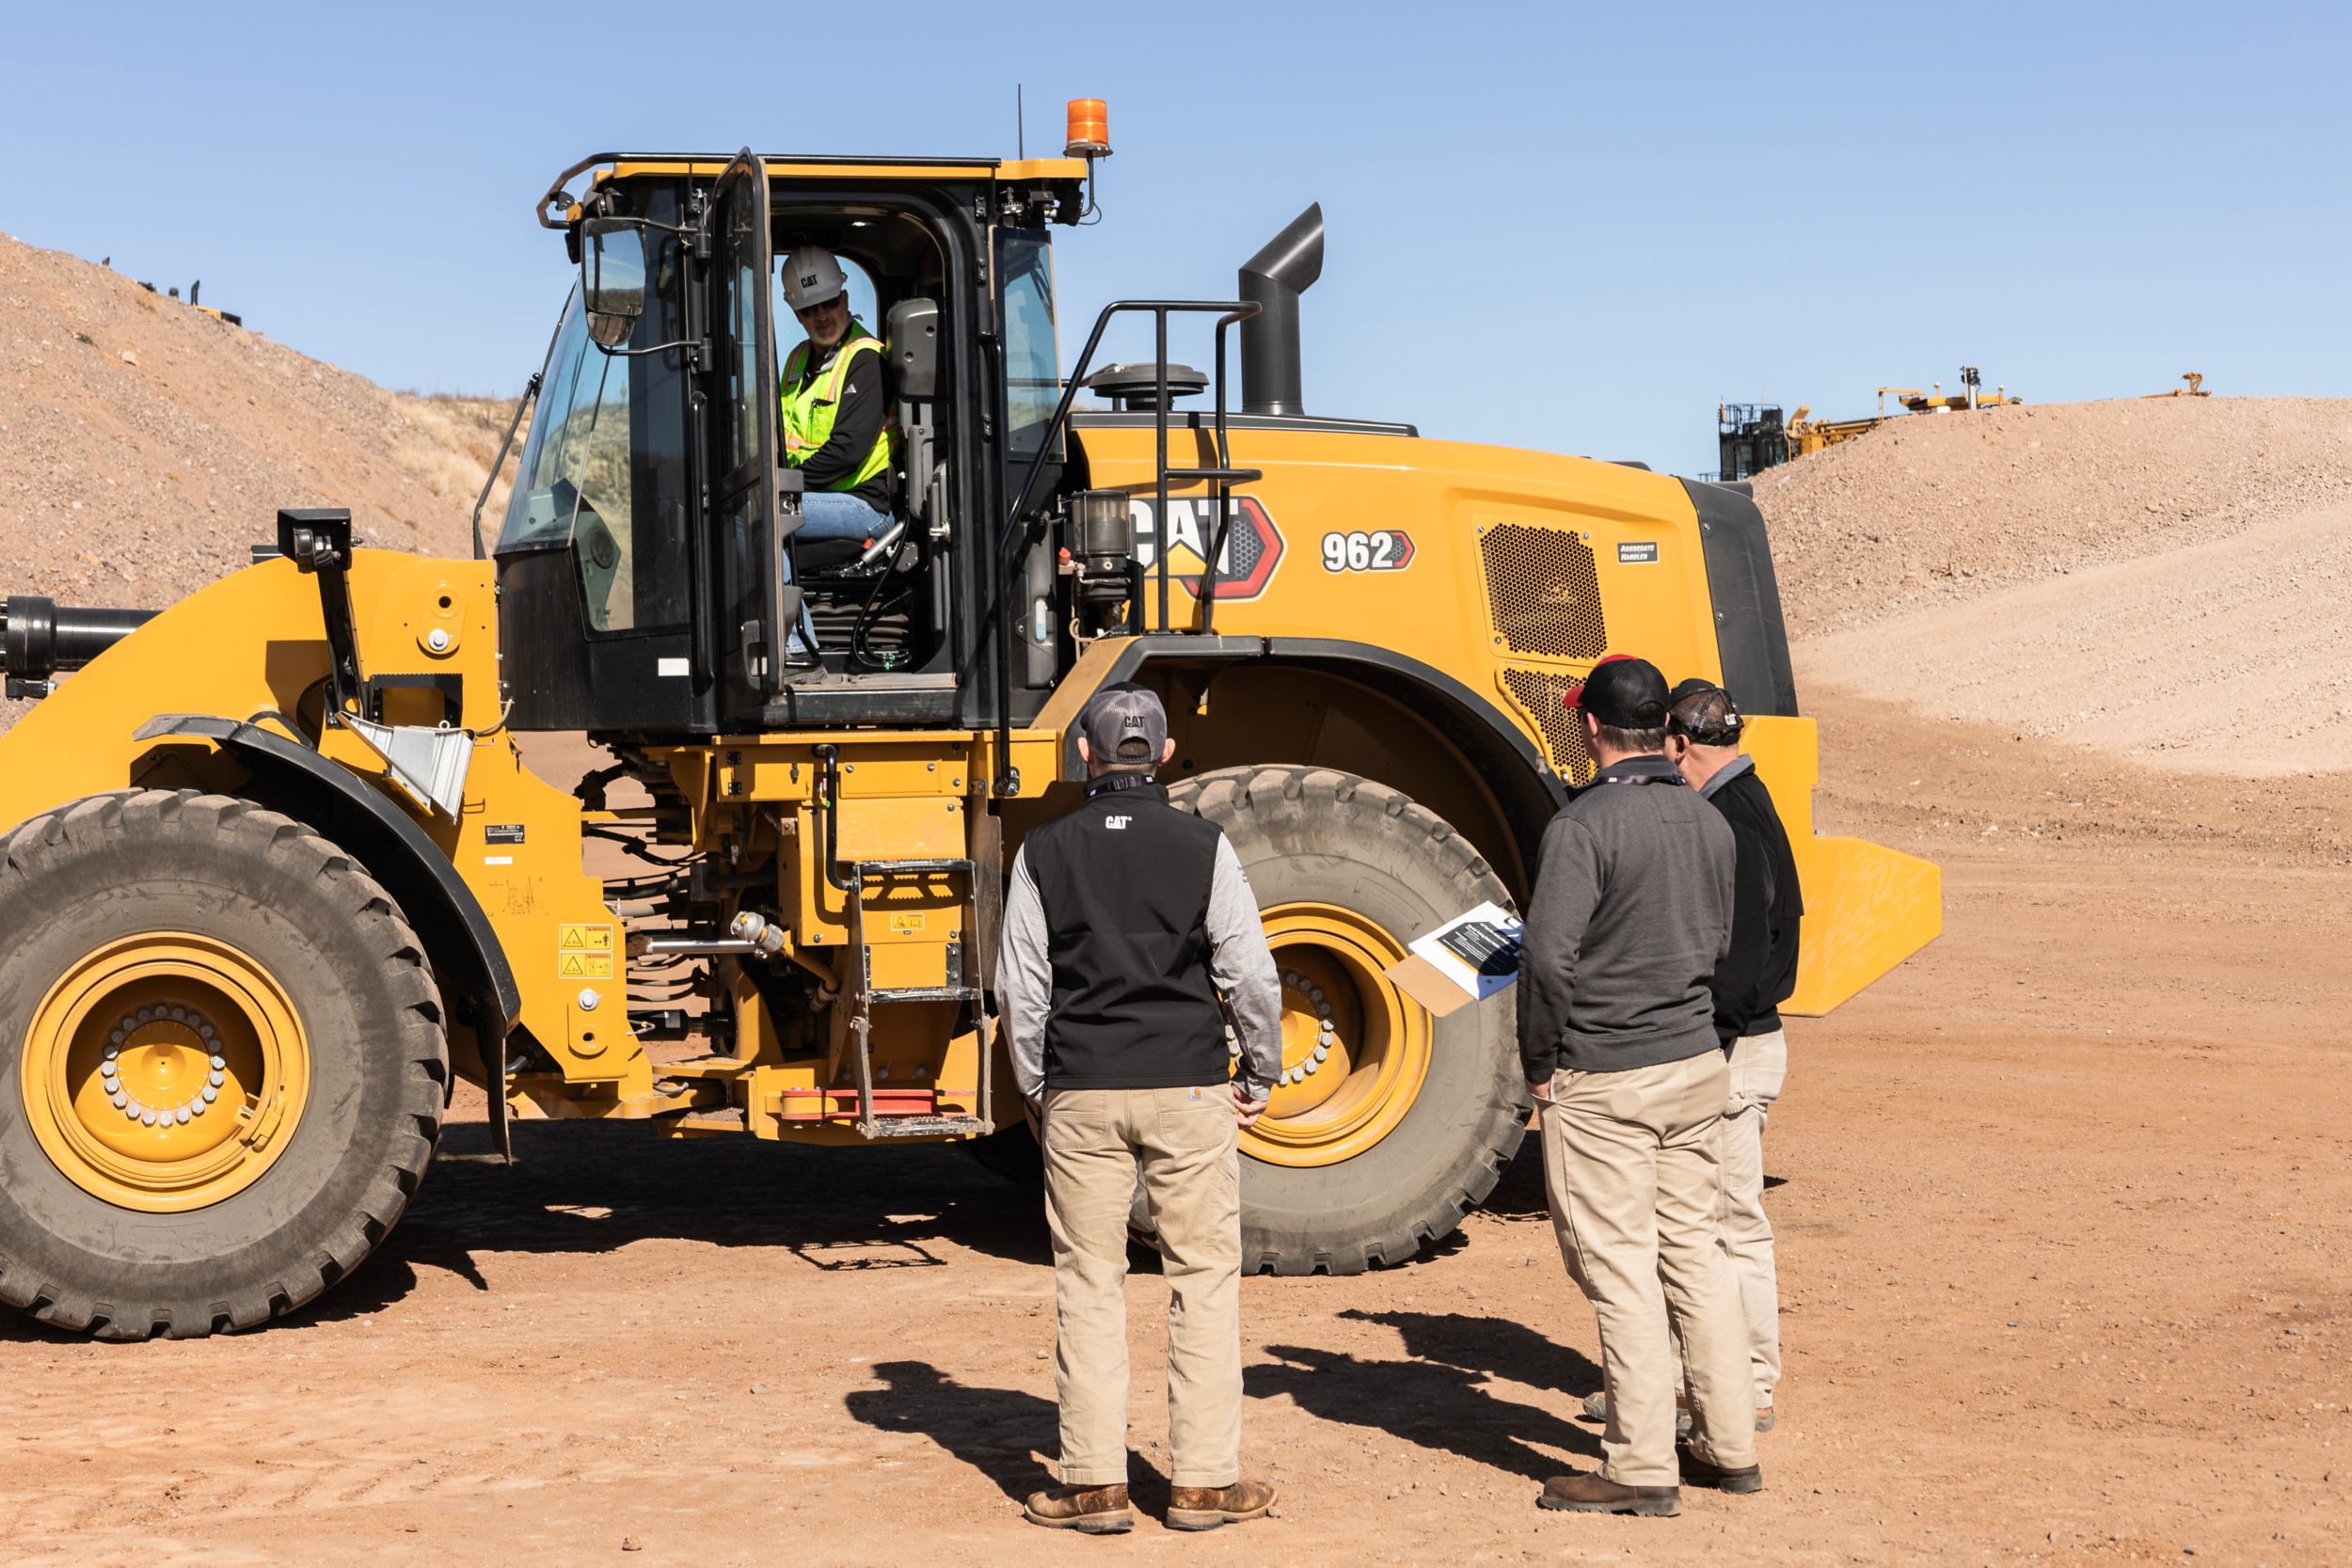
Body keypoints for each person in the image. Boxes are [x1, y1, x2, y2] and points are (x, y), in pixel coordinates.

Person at [995, 684, 1285, 1534]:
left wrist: (1038, 1086)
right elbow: (1248, 973)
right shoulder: (1205, 845)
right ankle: (1201, 1483)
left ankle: (1091, 1484)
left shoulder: (1042, 851)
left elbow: (1021, 988)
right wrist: (1259, 1071)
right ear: (1160, 755)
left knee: (1089, 1281)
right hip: (1190, 1089)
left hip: (1083, 1086)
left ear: (1085, 752)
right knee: (1201, 1277)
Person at [1518, 654, 1761, 1517]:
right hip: (1695, 1064)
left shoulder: (1581, 828)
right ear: (1666, 728)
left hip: (1607, 1074)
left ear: (1587, 727)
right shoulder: (1709, 821)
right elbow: (1726, 936)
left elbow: (1548, 959)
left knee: (1619, 1268)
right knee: (1696, 1255)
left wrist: (1539, 1063)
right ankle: (1730, 1448)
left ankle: (1639, 1465)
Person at [1665, 677, 1803, 1432]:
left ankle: (1746, 1387)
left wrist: (1697, 1049)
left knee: (1729, 1224)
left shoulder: (1732, 819)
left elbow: (1742, 964)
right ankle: (1701, 1382)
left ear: (1682, 744)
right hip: (1740, 1040)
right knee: (1713, 1223)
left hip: (1734, 1047)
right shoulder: (1745, 804)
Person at [776, 245, 893, 657]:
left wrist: (782, 486)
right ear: (796, 315)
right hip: (812, 497)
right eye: (810, 310)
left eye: (829, 303)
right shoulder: (794, 364)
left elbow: (849, 450)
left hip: (865, 506)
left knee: (766, 520)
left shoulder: (866, 360)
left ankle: (795, 650)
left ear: (844, 298)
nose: (822, 316)